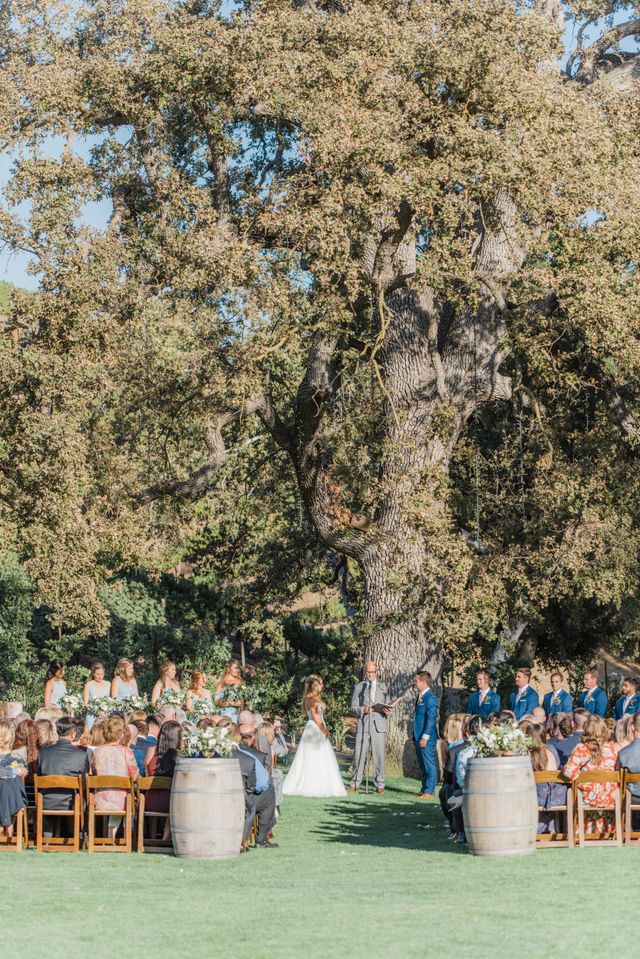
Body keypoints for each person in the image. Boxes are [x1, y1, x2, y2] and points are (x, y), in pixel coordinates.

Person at [282, 675, 346, 798]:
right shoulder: (310, 699)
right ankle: (311, 783)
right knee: (312, 755)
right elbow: (315, 716)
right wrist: (324, 730)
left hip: (318, 727)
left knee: (321, 755)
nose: (322, 686)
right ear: (315, 685)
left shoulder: (316, 698)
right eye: (321, 683)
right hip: (315, 729)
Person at [565, 714, 619, 836]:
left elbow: (569, 772)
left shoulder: (580, 749)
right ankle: (607, 831)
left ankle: (585, 832)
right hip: (609, 796)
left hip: (587, 797)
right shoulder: (612, 748)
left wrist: (580, 778)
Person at [37, 717, 89, 837]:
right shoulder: (81, 755)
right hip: (71, 802)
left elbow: (39, 779)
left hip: (47, 802)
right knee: (84, 800)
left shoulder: (43, 753)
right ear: (73, 734)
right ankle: (78, 835)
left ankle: (47, 839)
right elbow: (84, 785)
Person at [90, 715, 139, 839]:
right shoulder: (126, 751)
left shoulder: (97, 752)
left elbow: (93, 773)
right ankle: (126, 839)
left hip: (100, 798)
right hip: (121, 801)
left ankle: (109, 838)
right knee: (127, 797)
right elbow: (134, 775)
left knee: (121, 797)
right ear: (121, 733)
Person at [349, 661, 391, 794]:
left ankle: (380, 784)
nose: (370, 674)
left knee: (379, 755)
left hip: (379, 726)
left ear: (376, 672)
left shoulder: (383, 686)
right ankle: (355, 782)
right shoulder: (359, 687)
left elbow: (388, 704)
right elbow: (353, 707)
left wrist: (388, 710)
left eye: (372, 672)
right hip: (364, 725)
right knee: (359, 754)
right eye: (368, 672)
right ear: (365, 671)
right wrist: (363, 710)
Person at [413, 671, 438, 799]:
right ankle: (424, 788)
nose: (414, 682)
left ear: (423, 682)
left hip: (426, 738)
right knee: (423, 764)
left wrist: (425, 737)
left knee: (429, 764)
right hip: (418, 736)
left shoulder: (430, 698)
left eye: (416, 680)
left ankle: (429, 791)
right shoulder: (421, 696)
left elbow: (431, 719)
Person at [0, 720, 26, 837]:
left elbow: (24, 772)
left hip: (14, 797)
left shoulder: (17, 757)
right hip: (12, 800)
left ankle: (2, 824)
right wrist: (15, 771)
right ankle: (6, 822)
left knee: (6, 783)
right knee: (4, 783)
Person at [255, 720, 288, 811]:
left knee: (277, 774)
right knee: (278, 775)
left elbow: (284, 751)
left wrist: (279, 734)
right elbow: (285, 750)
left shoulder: (258, 743)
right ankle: (275, 806)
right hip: (266, 775)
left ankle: (275, 806)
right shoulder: (269, 744)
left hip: (261, 774)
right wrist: (279, 733)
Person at [83, 662, 111, 730]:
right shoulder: (88, 685)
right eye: (98, 674)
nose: (100, 676)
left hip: (105, 715)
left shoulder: (108, 684)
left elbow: (111, 701)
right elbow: (85, 704)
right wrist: (97, 711)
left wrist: (105, 711)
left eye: (102, 674)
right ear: (93, 674)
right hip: (91, 716)